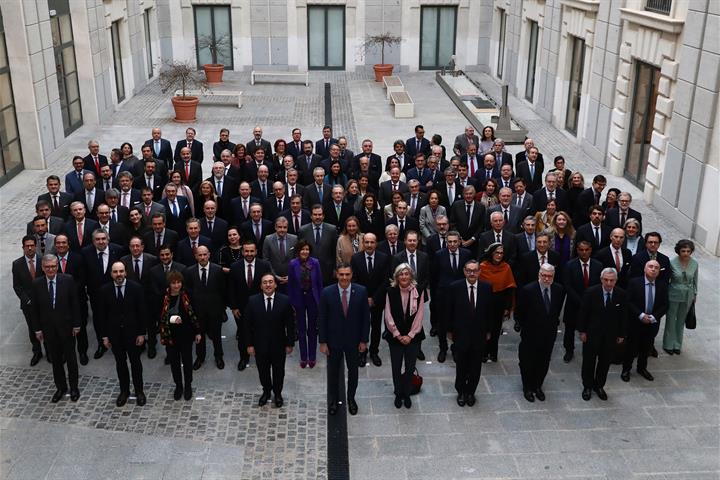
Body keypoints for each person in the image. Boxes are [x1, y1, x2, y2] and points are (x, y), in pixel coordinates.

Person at [318, 263, 370, 416]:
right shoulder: (327, 292)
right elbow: (322, 318)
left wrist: (363, 340)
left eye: (347, 274)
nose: (344, 277)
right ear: (336, 275)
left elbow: (365, 319)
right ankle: (333, 400)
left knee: (353, 372)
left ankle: (351, 399)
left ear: (352, 275)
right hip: (333, 342)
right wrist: (323, 342)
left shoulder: (361, 291)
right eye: (341, 274)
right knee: (333, 373)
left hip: (353, 342)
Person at [31, 255, 81, 403]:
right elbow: (34, 309)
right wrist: (37, 329)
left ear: (57, 266)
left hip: (67, 328)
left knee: (71, 360)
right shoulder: (37, 284)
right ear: (43, 268)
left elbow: (75, 304)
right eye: (47, 267)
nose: (50, 269)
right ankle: (60, 388)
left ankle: (74, 388)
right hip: (49, 330)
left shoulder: (68, 280)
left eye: (53, 266)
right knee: (56, 361)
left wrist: (77, 324)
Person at [98, 262, 147, 407]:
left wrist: (141, 333)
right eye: (115, 272)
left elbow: (142, 312)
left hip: (133, 334)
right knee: (120, 364)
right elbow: (102, 316)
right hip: (115, 335)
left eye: (121, 271)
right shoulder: (104, 290)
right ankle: (124, 391)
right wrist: (105, 336)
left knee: (136, 363)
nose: (118, 274)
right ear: (111, 274)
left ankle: (139, 391)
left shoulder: (136, 288)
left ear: (126, 272)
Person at [515, 264, 566, 402]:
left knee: (544, 361)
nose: (546, 278)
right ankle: (527, 387)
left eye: (549, 276)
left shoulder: (559, 289)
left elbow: (556, 310)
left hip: (549, 333)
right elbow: (520, 312)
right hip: (531, 333)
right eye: (544, 275)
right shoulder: (528, 290)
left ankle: (538, 386)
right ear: (539, 274)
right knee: (527, 361)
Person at [244, 274, 295, 407]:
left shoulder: (285, 300)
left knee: (279, 371)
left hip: (279, 345)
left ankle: (278, 394)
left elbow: (290, 324)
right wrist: (249, 344)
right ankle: (266, 392)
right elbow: (247, 325)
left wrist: (290, 343)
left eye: (271, 282)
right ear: (261, 286)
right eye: (265, 282)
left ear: (275, 284)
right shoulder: (252, 301)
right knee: (263, 371)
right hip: (260, 345)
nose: (268, 285)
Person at [447, 260, 492, 407]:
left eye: (475, 270)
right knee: (461, 365)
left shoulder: (486, 287)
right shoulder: (455, 287)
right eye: (469, 270)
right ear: (464, 271)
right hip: (461, 334)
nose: (472, 273)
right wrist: (449, 330)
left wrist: (489, 331)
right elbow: (449, 310)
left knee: (475, 367)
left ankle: (471, 392)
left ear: (479, 272)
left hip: (479, 335)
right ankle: (461, 391)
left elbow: (490, 312)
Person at [578, 268, 627, 401]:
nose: (609, 283)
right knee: (589, 361)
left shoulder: (621, 294)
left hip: (610, 336)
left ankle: (599, 386)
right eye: (606, 280)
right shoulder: (591, 292)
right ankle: (587, 386)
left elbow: (623, 316)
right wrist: (582, 331)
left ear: (616, 280)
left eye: (612, 280)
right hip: (592, 334)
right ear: (601, 279)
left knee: (605, 362)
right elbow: (583, 314)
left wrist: (621, 334)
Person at [384, 263, 425, 409]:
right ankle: (398, 393)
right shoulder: (390, 291)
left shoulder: (419, 291)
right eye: (401, 274)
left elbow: (420, 314)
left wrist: (410, 335)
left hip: (413, 338)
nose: (404, 276)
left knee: (409, 367)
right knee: (396, 367)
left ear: (411, 276)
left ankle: (407, 393)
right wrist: (397, 334)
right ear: (397, 276)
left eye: (406, 274)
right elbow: (388, 315)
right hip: (395, 337)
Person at [621, 260, 668, 383]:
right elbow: (628, 301)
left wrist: (653, 317)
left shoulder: (662, 285)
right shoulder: (634, 283)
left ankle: (642, 368)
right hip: (636, 322)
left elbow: (665, 305)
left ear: (659, 271)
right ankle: (626, 369)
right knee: (631, 347)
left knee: (646, 347)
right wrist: (641, 315)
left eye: (656, 267)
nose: (653, 269)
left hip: (652, 323)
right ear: (644, 269)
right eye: (650, 266)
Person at [159, 271, 202, 401]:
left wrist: (198, 332)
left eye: (178, 282)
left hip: (186, 335)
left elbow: (195, 314)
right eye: (173, 283)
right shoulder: (164, 297)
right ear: (169, 284)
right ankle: (178, 386)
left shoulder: (187, 295)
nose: (176, 285)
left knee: (187, 362)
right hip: (170, 336)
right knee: (174, 363)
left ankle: (188, 385)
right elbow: (159, 315)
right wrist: (171, 319)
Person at [183, 246, 227, 370]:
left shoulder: (218, 270)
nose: (202, 257)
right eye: (199, 255)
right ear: (196, 256)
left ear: (209, 255)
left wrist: (222, 309)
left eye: (204, 254)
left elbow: (223, 290)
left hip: (215, 310)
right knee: (199, 335)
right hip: (198, 311)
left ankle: (219, 356)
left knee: (216, 335)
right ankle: (200, 357)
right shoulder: (189, 271)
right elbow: (188, 292)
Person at [350, 233, 390, 367]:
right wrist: (364, 298)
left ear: (376, 243)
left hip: (377, 299)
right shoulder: (355, 258)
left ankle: (374, 351)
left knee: (376, 326)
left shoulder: (383, 258)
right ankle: (362, 352)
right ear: (363, 243)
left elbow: (385, 281)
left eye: (372, 242)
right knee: (361, 326)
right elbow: (353, 280)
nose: (369, 245)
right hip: (361, 300)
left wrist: (374, 298)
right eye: (366, 242)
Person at [562, 240, 603, 362]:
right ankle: (569, 351)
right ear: (577, 250)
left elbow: (599, 285)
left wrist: (589, 302)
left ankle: (589, 350)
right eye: (581, 250)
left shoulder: (598, 265)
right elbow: (567, 286)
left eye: (586, 250)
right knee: (569, 329)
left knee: (590, 329)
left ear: (590, 250)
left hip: (591, 305)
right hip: (574, 304)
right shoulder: (570, 265)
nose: (584, 252)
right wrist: (581, 302)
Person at [478, 243, 516, 362]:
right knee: (484, 328)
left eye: (501, 253)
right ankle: (483, 353)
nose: (499, 255)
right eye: (497, 253)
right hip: (485, 302)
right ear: (491, 253)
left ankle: (493, 352)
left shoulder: (506, 267)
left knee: (496, 329)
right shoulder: (483, 267)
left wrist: (507, 308)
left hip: (499, 303)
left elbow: (510, 289)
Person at [13, 236, 46, 365]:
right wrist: (27, 300)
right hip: (28, 304)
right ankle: (37, 351)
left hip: (43, 302)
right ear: (23, 247)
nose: (30, 248)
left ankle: (49, 351)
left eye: (32, 245)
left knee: (46, 326)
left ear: (36, 246)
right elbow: (17, 286)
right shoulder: (17, 264)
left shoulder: (43, 260)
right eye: (27, 246)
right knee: (32, 329)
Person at [663, 239, 698, 355]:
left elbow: (695, 280)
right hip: (673, 293)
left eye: (688, 251)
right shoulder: (672, 262)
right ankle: (668, 344)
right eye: (683, 251)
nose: (686, 253)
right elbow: (666, 280)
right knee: (671, 319)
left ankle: (677, 344)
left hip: (688, 294)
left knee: (681, 320)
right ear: (678, 251)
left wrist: (695, 294)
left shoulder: (694, 263)